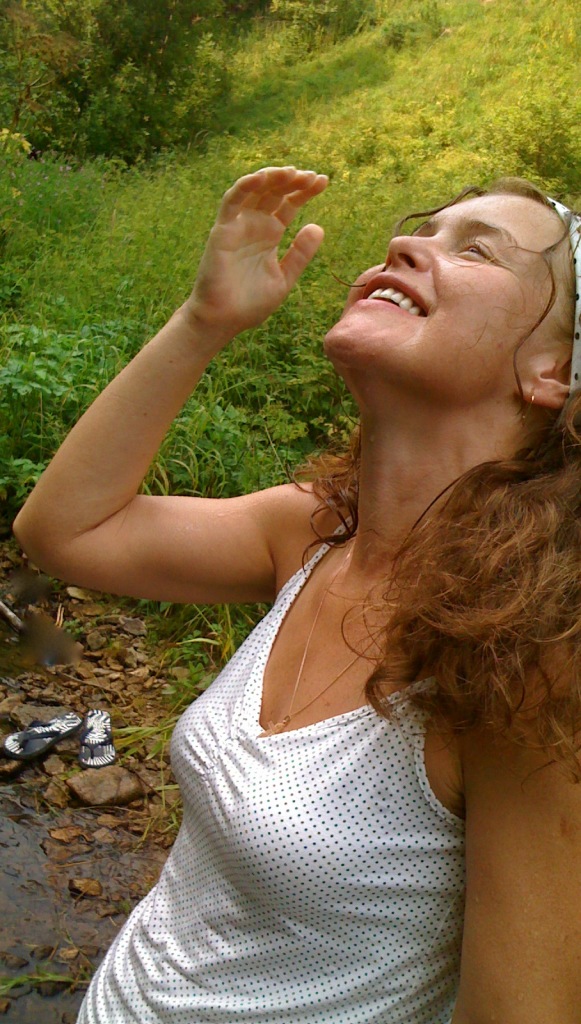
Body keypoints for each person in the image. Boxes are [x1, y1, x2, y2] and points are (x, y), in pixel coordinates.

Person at [13, 165, 581, 1024]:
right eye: (421, 229)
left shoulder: (527, 660)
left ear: (551, 371)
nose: (405, 244)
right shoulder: (313, 532)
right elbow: (65, 531)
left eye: (476, 251)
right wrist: (204, 321)